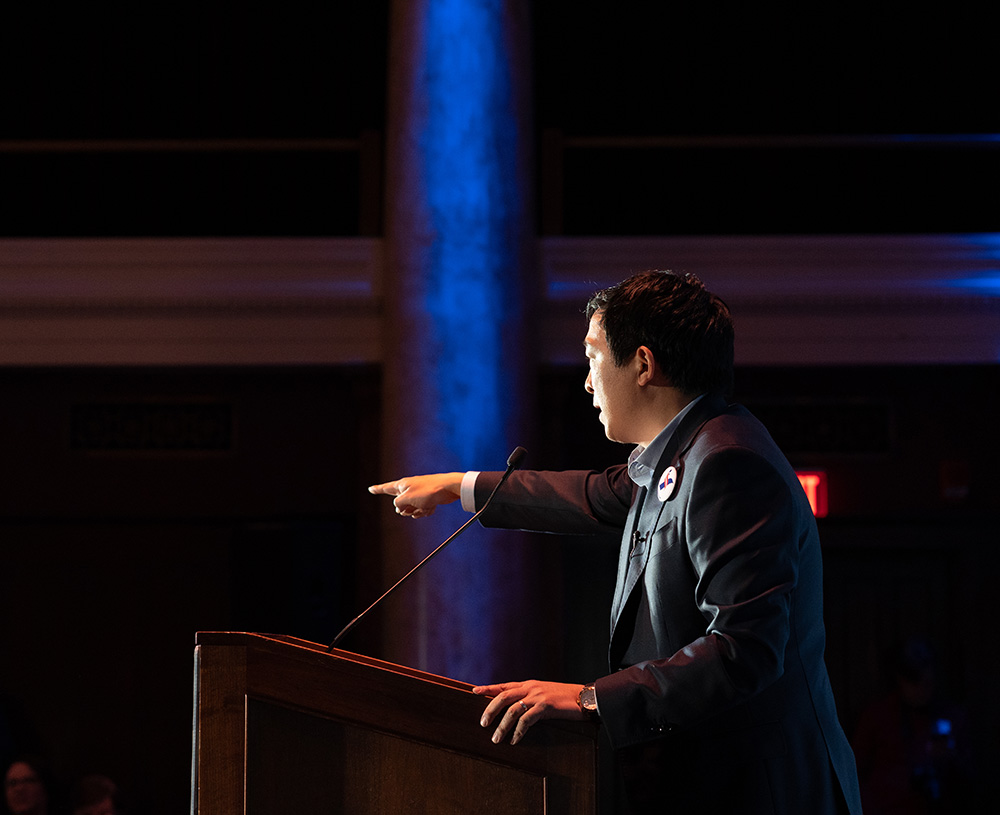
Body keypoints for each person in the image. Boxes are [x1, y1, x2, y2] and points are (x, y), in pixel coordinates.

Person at [370, 270, 863, 814]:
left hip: (763, 791)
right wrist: (457, 487)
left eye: (592, 356)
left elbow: (745, 649)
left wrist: (589, 698)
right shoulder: (689, 451)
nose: (586, 382)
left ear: (644, 364)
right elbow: (592, 493)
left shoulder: (726, 462)